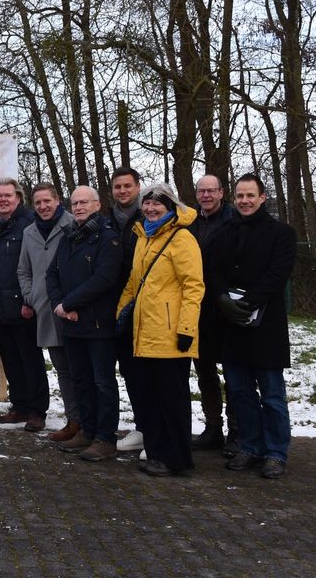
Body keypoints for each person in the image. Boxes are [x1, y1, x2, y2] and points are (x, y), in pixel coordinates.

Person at [209, 173, 296, 479]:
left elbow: (278, 273)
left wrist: (248, 303)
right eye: (240, 196)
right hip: (232, 326)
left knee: (272, 394)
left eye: (250, 196)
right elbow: (213, 269)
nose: (244, 201)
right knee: (240, 392)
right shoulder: (224, 232)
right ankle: (250, 445)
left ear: (262, 198)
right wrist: (222, 299)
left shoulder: (281, 233)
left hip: (266, 326)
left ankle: (275, 452)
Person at [117, 184, 204, 476]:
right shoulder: (144, 236)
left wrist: (187, 328)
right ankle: (156, 453)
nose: (151, 209)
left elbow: (194, 286)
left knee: (173, 400)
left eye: (158, 205)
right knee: (150, 397)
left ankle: (177, 459)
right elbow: (133, 281)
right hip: (143, 333)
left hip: (170, 334)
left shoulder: (182, 238)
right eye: (147, 205)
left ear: (171, 207)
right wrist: (121, 314)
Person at [46, 185, 123, 461]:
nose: (78, 207)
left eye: (84, 203)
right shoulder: (69, 237)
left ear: (97, 205)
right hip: (71, 323)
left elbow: (104, 280)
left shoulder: (108, 238)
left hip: (99, 325)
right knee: (80, 380)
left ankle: (105, 438)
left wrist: (70, 304)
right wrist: (60, 306)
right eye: (75, 203)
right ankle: (87, 432)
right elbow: (51, 274)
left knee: (102, 382)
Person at [17, 182, 80, 441]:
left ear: (57, 200)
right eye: (38, 202)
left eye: (47, 201)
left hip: (74, 310)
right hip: (45, 311)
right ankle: (74, 421)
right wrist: (32, 296)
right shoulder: (29, 231)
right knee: (63, 370)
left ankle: (90, 423)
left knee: (81, 370)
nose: (43, 206)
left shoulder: (73, 225)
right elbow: (24, 270)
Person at [0, 177, 46, 431]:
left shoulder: (30, 223)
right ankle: (19, 406)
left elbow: (38, 267)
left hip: (24, 307)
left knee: (31, 360)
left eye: (8, 195)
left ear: (18, 197)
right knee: (10, 360)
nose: (3, 200)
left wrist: (30, 300)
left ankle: (37, 411)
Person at [188, 174, 237, 452]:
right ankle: (213, 427)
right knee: (205, 372)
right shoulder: (192, 222)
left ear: (221, 192)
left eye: (211, 191)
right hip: (198, 309)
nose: (206, 195)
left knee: (233, 373)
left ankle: (236, 429)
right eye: (201, 191)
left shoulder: (233, 221)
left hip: (225, 306)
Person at [108, 166, 146, 453]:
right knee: (130, 372)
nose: (122, 191)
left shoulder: (149, 215)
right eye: (118, 187)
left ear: (137, 186)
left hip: (146, 307)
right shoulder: (106, 220)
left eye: (127, 186)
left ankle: (153, 430)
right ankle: (143, 427)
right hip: (115, 307)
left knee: (150, 373)